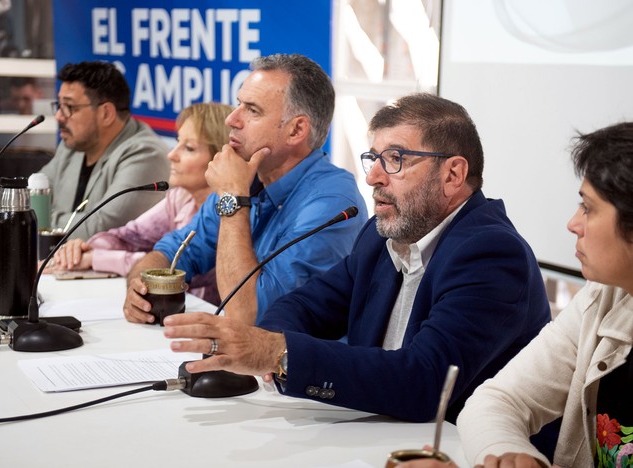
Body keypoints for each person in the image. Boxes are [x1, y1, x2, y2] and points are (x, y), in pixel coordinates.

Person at [161, 93, 551, 424]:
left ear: (453, 174)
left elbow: (426, 381)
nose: (373, 177)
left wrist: (279, 354)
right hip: (376, 434)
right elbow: (302, 306)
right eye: (373, 158)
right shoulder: (381, 238)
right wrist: (269, 345)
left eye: (395, 158)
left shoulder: (491, 255)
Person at [123, 53, 368, 325]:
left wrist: (232, 198)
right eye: (238, 103)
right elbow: (176, 251)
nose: (232, 119)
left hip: (299, 363)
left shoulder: (332, 203)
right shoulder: (246, 176)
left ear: (296, 130)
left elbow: (249, 315)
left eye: (252, 110)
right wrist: (140, 285)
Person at [456, 122, 633, 468]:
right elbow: (496, 401)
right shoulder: (602, 297)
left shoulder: (487, 248)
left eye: (588, 207)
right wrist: (518, 459)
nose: (573, 223)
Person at [48, 102, 234, 305]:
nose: (172, 154)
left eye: (189, 148)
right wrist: (82, 252)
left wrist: (96, 258)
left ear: (220, 158)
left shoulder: (232, 210)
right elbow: (125, 237)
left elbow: (181, 274)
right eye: (177, 142)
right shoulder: (180, 197)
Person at [0, 61, 170, 239]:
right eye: (59, 106)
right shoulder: (73, 146)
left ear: (106, 113)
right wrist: (13, 213)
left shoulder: (146, 154)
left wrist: (18, 220)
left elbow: (102, 228)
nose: (59, 116)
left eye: (70, 107)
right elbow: (32, 194)